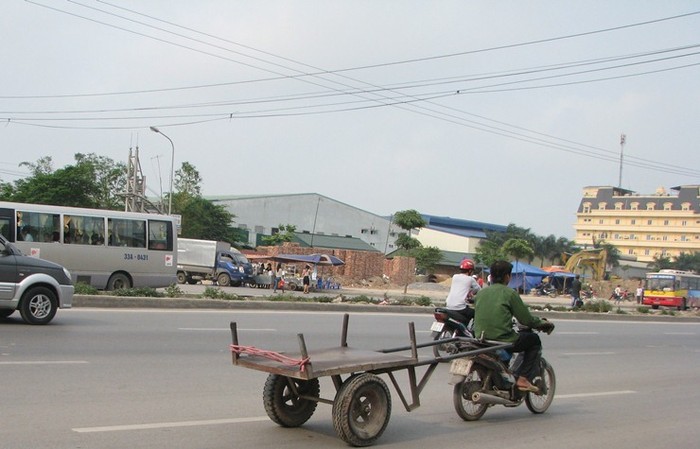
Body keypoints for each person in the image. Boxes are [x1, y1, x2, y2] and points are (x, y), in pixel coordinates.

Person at [473, 260, 555, 393]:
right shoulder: (510, 294)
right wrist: (542, 323)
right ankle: (523, 378)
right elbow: (526, 319)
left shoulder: (481, 293)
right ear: (507, 277)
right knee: (534, 340)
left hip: (480, 338)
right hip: (502, 339)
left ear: (491, 276)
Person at [445, 259, 481, 325]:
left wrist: (468, 292)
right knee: (476, 313)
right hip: (460, 307)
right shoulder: (470, 279)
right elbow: (478, 289)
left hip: (448, 305)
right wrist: (471, 293)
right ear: (470, 270)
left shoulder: (455, 277)